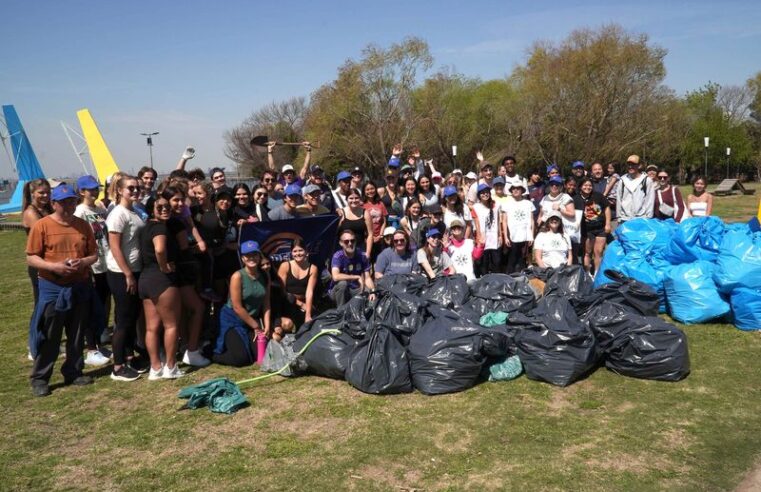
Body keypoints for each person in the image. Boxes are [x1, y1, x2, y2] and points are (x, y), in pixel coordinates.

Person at [26, 183, 98, 396]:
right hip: (53, 287)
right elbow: (31, 257)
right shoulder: (42, 226)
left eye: (72, 201)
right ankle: (40, 378)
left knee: (76, 332)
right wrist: (53, 267)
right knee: (50, 334)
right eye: (63, 202)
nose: (68, 206)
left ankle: (74, 371)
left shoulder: (83, 226)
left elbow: (93, 254)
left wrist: (83, 263)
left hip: (78, 284)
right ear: (54, 203)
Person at [105, 175, 148, 381]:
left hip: (136, 270)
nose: (135, 191)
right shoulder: (117, 214)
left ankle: (130, 357)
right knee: (123, 319)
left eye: (138, 188)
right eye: (131, 188)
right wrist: (128, 273)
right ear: (120, 190)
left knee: (132, 316)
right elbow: (114, 246)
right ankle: (118, 365)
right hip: (121, 273)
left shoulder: (134, 211)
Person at [138, 194, 184, 380]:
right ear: (151, 209)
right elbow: (159, 249)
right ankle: (170, 367)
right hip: (161, 280)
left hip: (145, 279)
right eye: (160, 207)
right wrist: (164, 266)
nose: (165, 209)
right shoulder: (159, 228)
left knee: (151, 328)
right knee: (171, 325)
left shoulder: (145, 228)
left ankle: (155, 367)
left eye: (167, 206)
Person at [165, 186, 212, 368]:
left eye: (181, 200)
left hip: (183, 266)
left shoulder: (183, 213)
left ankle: (187, 346)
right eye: (174, 200)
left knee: (187, 309)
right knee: (196, 308)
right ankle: (190, 349)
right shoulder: (167, 221)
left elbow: (191, 228)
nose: (179, 203)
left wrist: (199, 241)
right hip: (174, 269)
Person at [214, 241, 272, 366]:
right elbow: (237, 307)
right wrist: (257, 327)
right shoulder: (237, 276)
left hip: (251, 321)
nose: (251, 258)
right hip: (232, 320)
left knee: (262, 354)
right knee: (241, 359)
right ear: (242, 258)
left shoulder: (265, 275)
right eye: (248, 255)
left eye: (254, 255)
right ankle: (212, 354)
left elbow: (266, 302)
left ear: (259, 256)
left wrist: (267, 325)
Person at [73, 175, 111, 367]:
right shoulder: (80, 212)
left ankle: (100, 343)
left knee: (103, 306)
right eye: (91, 189)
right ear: (81, 191)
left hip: (104, 262)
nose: (95, 192)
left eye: (96, 188)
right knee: (90, 308)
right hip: (92, 266)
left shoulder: (98, 208)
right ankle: (91, 348)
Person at [22, 179, 52, 315]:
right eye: (41, 193)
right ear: (33, 193)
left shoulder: (48, 209)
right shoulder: (30, 213)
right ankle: (37, 334)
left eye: (48, 192)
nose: (45, 195)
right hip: (39, 262)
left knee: (51, 302)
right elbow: (45, 234)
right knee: (41, 302)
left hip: (51, 259)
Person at [276, 239, 318, 327]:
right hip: (288, 302)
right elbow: (281, 292)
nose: (298, 254)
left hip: (304, 301)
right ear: (291, 253)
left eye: (300, 250)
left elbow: (309, 292)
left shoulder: (313, 268)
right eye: (294, 251)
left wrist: (308, 315)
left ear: (306, 251)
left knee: (312, 322)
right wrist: (300, 304)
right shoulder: (285, 266)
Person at [329, 229, 375, 307]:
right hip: (338, 292)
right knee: (343, 284)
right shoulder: (338, 256)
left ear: (355, 242)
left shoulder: (362, 256)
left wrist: (373, 291)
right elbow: (335, 276)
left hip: (355, 289)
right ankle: (341, 313)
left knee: (368, 291)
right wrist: (356, 277)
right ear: (341, 243)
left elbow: (367, 278)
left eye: (352, 241)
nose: (350, 244)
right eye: (346, 241)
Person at [577, 178, 610, 274]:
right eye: (585, 185)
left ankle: (596, 273)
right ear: (580, 187)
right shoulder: (576, 199)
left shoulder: (598, 196)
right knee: (587, 252)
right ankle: (587, 273)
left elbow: (607, 208)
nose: (588, 187)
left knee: (598, 252)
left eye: (590, 185)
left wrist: (608, 224)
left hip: (600, 228)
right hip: (586, 230)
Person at [502, 183, 535, 273]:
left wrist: (531, 235)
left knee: (522, 260)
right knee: (511, 260)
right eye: (513, 189)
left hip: (525, 236)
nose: (515, 190)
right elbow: (504, 221)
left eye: (518, 188)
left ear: (522, 191)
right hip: (512, 236)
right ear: (511, 191)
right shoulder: (506, 204)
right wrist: (506, 237)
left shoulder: (528, 203)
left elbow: (532, 220)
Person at [471, 183, 503, 275]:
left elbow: (498, 221)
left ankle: (497, 283)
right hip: (483, 240)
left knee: (496, 263)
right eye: (482, 193)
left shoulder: (496, 205)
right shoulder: (475, 207)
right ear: (479, 195)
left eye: (487, 192)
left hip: (494, 239)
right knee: (484, 265)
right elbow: (476, 225)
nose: (485, 194)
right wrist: (478, 238)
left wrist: (500, 235)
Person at [615, 155, 655, 223]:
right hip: (625, 219)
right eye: (629, 164)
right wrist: (619, 217)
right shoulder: (622, 180)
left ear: (639, 165)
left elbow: (650, 201)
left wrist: (648, 218)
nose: (630, 167)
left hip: (641, 219)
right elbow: (619, 199)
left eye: (633, 164)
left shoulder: (646, 180)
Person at [337, 188, 373, 258]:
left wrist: (368, 253)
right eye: (351, 198)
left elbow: (370, 234)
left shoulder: (365, 213)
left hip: (360, 249)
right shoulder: (341, 213)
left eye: (356, 198)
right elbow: (336, 233)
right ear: (346, 199)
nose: (354, 200)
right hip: (344, 250)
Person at [363, 181, 388, 261]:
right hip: (366, 239)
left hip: (379, 239)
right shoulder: (362, 205)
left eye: (372, 189)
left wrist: (380, 235)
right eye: (367, 189)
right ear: (364, 191)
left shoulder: (380, 203)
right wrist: (369, 237)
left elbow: (384, 221)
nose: (370, 191)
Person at [564, 177, 584, 264]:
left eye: (574, 185)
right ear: (565, 185)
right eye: (570, 185)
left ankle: (576, 269)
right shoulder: (562, 196)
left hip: (574, 230)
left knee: (574, 251)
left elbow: (579, 215)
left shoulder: (578, 198)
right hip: (563, 229)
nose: (571, 187)